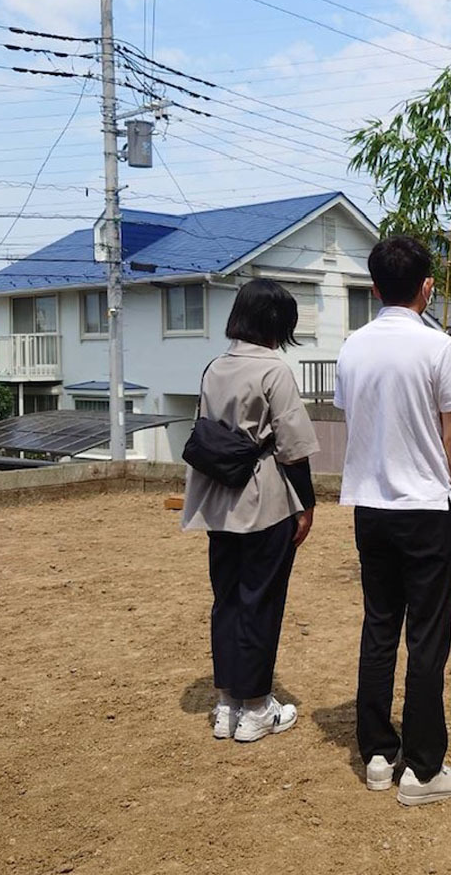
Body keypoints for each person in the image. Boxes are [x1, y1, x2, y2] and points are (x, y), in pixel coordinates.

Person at [335, 235, 451, 807]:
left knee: (379, 626)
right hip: (426, 508)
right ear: (426, 287)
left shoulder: (352, 347)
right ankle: (421, 769)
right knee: (427, 637)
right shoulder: (438, 347)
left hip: (370, 507)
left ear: (373, 288)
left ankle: (376, 754)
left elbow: (359, 419)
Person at [182, 279, 320, 742]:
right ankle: (258, 707)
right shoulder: (274, 369)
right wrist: (308, 505)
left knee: (227, 600)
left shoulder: (213, 366)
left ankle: (227, 704)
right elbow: (293, 448)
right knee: (261, 601)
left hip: (218, 500)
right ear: (277, 323)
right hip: (264, 500)